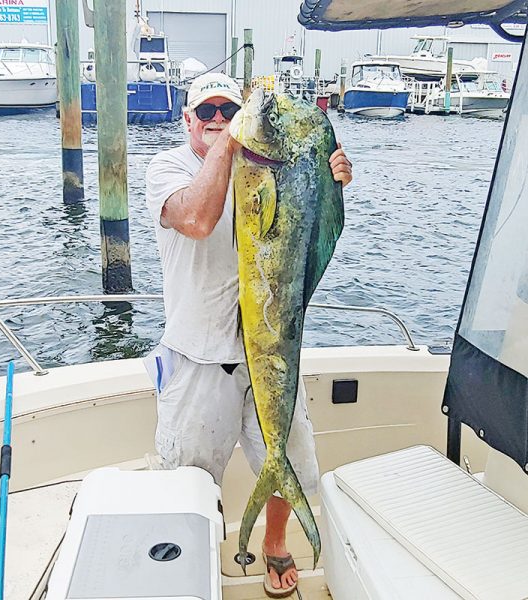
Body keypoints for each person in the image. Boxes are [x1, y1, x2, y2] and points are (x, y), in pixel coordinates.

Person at [145, 73, 352, 596]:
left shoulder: (264, 166)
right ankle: (187, 562)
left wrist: (326, 179)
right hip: (199, 360)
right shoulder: (168, 168)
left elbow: (312, 232)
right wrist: (236, 142)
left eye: (228, 110)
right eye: (207, 112)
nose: (218, 120)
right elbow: (195, 217)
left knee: (292, 460)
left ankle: (275, 543)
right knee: (187, 482)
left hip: (272, 355)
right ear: (187, 119)